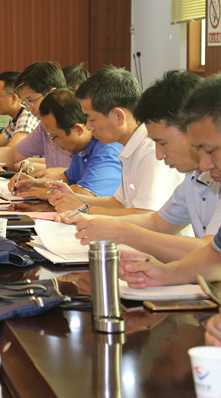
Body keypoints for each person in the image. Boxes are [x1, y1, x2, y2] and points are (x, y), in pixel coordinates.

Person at [63, 71, 220, 262]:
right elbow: (158, 222)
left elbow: (212, 253)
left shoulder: (150, 152)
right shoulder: (193, 176)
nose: (159, 154)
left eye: (163, 143)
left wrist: (120, 231)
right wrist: (96, 221)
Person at [119, 77, 221, 288]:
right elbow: (215, 256)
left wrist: (125, 233)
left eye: (211, 151)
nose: (204, 164)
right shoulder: (195, 176)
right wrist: (166, 273)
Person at [49, 66, 183, 215]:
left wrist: (83, 209)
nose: (88, 127)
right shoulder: (128, 146)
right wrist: (74, 197)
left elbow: (145, 216)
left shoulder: (151, 151)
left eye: (91, 119)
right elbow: (119, 204)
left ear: (118, 116)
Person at [0, 61, 72, 174]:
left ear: (51, 94)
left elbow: (74, 174)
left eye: (31, 101)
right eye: (25, 102)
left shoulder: (73, 125)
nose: (28, 108)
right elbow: (13, 153)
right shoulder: (42, 128)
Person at [12, 88, 122, 199]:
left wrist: (45, 193)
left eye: (55, 136)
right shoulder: (80, 148)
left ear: (78, 129)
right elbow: (69, 179)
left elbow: (87, 194)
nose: (54, 142)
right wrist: (34, 183)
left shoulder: (107, 149)